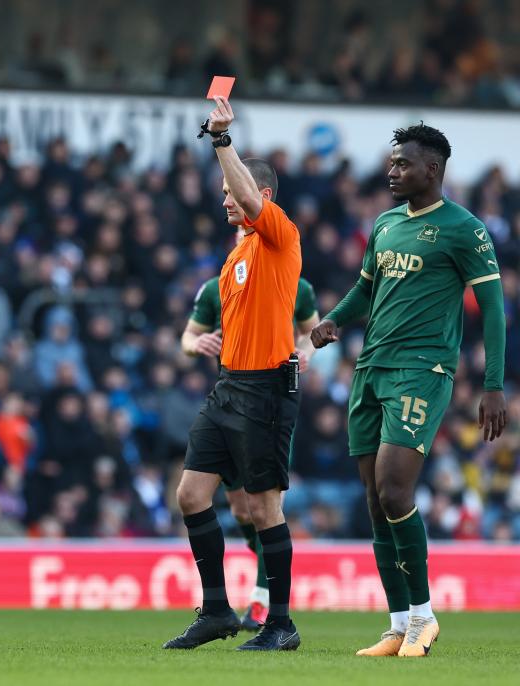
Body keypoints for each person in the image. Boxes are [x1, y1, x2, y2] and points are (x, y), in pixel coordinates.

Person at [311, 123, 507, 657]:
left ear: (433, 170)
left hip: (422, 372)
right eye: (391, 163)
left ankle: (424, 618)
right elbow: (365, 288)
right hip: (371, 369)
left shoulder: (464, 229)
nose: (392, 171)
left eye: (402, 164)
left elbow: (492, 308)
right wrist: (334, 320)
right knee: (376, 502)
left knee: (396, 490)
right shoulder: (386, 223)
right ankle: (398, 624)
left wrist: (493, 385)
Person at [163, 96, 302, 652]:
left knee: (263, 508)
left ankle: (281, 623)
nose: (225, 201)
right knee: (191, 494)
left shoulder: (279, 236)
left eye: (231, 193)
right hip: (228, 386)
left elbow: (244, 191)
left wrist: (222, 140)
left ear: (260, 197)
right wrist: (204, 341)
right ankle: (217, 609)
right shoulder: (237, 254)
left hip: (265, 389)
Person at [182, 234, 318, 630]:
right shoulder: (218, 284)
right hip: (227, 394)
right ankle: (217, 611)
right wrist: (196, 344)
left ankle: (266, 606)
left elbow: (312, 329)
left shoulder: (295, 283)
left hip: (267, 397)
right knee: (232, 506)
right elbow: (187, 336)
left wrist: (304, 351)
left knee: (261, 507)